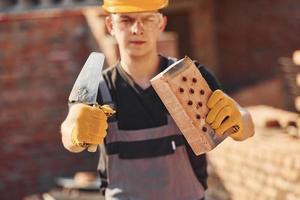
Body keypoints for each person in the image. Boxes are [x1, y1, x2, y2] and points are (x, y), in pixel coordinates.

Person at [60, 0, 255, 199]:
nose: (137, 29)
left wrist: (238, 119)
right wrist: (75, 131)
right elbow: (68, 132)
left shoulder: (188, 77)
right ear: (110, 25)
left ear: (161, 24)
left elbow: (247, 124)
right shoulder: (100, 88)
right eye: (126, 20)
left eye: (148, 19)